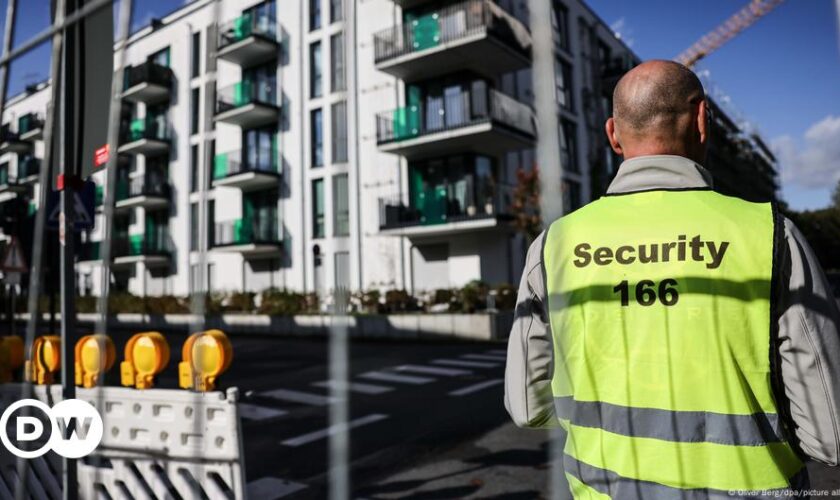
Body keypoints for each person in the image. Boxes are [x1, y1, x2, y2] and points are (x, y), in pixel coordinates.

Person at [504, 59, 840, 498]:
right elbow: (829, 433)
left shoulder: (552, 247)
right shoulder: (770, 236)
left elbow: (527, 408)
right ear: (703, 119)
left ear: (613, 135)